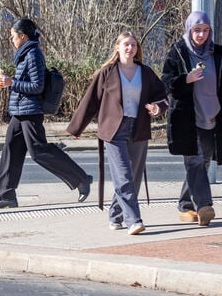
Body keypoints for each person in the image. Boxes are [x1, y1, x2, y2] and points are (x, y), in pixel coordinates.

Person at [0, 18, 93, 210]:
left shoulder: (33, 54)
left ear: (23, 36)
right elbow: (23, 84)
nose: (11, 39)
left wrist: (12, 83)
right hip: (20, 112)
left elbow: (37, 86)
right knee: (10, 150)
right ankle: (7, 194)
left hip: (30, 112)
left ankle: (81, 179)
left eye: (13, 36)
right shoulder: (24, 54)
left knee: (39, 151)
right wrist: (7, 83)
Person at [67, 32, 167, 235]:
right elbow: (90, 101)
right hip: (113, 131)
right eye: (126, 45)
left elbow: (162, 96)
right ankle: (134, 220)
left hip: (138, 127)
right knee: (123, 176)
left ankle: (115, 215)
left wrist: (158, 108)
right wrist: (77, 128)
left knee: (134, 178)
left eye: (133, 45)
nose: (130, 48)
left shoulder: (145, 72)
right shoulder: (107, 72)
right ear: (118, 48)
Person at [161, 11, 222, 227]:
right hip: (187, 117)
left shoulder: (218, 53)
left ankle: (185, 204)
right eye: (197, 30)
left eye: (205, 30)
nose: (201, 35)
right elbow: (165, 82)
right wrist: (186, 79)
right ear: (189, 30)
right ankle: (204, 206)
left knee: (202, 163)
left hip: (211, 115)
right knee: (194, 161)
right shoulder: (178, 51)